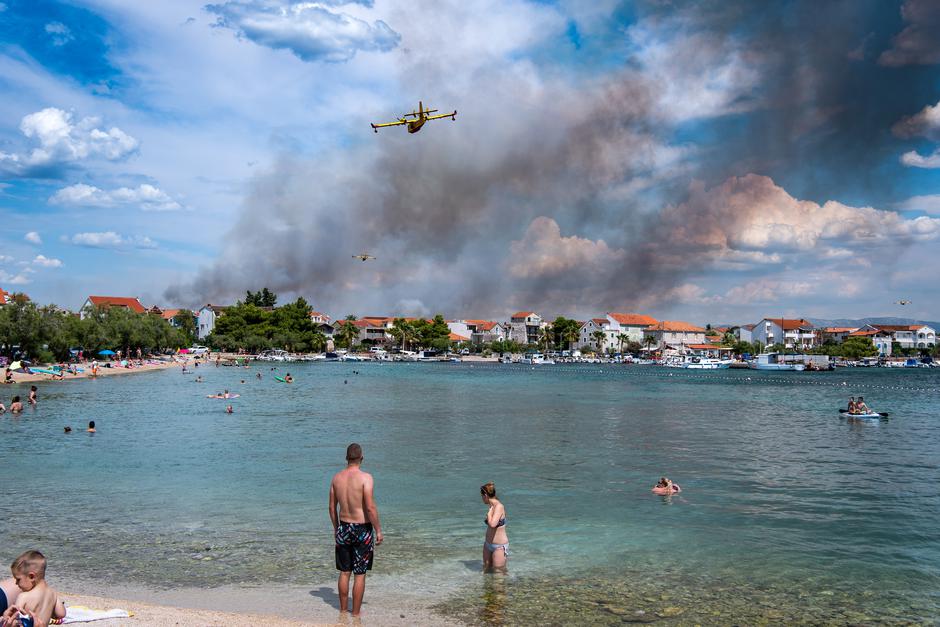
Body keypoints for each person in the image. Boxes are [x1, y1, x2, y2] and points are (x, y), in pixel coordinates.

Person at [329, 443, 383, 617]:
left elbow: (331, 507)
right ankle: (356, 615)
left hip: (344, 527)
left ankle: (343, 611)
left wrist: (336, 528)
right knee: (359, 574)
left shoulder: (336, 478)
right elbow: (370, 508)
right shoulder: (366, 478)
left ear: (346, 458)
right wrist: (378, 530)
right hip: (362, 530)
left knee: (345, 572)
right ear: (362, 458)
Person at [1, 551, 66, 627]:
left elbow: (14, 619)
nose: (16, 583)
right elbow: (61, 614)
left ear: (31, 577)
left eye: (18, 579)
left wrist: (5, 618)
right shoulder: (52, 593)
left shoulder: (24, 596)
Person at [481, 482, 509, 572]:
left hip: (499, 547)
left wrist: (489, 514)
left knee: (498, 575)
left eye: (481, 496)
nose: (481, 499)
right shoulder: (492, 506)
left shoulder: (499, 506)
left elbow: (492, 524)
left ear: (485, 495)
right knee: (486, 570)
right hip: (488, 545)